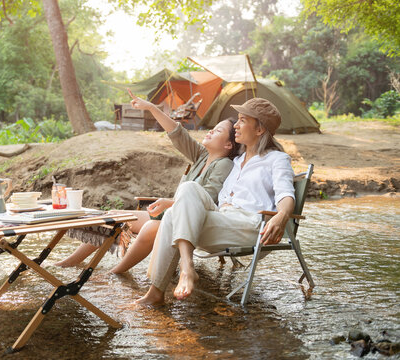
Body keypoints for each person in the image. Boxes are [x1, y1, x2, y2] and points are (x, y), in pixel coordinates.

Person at [55, 89, 240, 271]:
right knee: (112, 215)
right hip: (170, 214)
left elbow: (205, 198)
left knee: (132, 223)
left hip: (187, 221)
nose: (209, 132)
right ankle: (72, 262)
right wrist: (151, 107)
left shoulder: (224, 165)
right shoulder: (201, 155)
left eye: (217, 131)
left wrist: (168, 203)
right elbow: (177, 132)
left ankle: (117, 272)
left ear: (228, 144)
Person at [137, 97, 296, 305]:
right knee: (187, 190)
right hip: (223, 218)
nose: (236, 125)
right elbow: (181, 138)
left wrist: (282, 216)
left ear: (259, 130)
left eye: (242, 120)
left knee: (173, 217)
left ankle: (162, 288)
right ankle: (183, 270)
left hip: (249, 225)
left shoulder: (277, 159)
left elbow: (286, 194)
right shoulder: (236, 161)